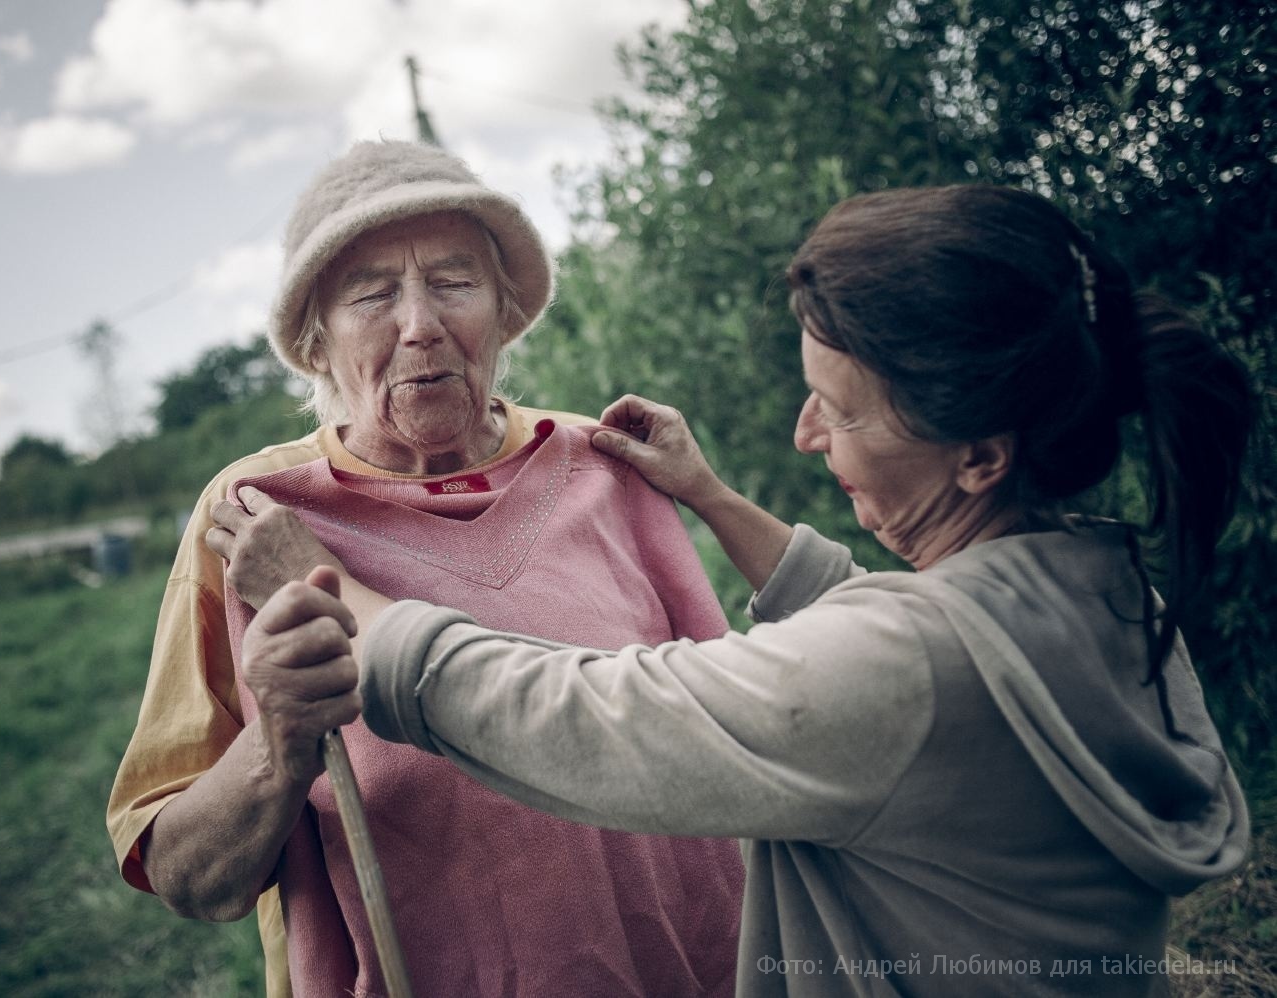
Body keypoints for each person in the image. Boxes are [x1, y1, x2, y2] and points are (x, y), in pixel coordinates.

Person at [252, 184, 1254, 996]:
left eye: (842, 409)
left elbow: (591, 719)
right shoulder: (1111, 590)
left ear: (982, 455)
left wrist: (334, 595)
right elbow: (895, 644)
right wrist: (714, 498)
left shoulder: (905, 670)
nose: (806, 433)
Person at [106, 139, 743, 998]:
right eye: (371, 293)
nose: (420, 324)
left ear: (504, 311)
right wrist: (278, 745)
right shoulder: (253, 517)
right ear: (314, 340)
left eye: (454, 282)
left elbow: (733, 738)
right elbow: (188, 877)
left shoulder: (607, 466)